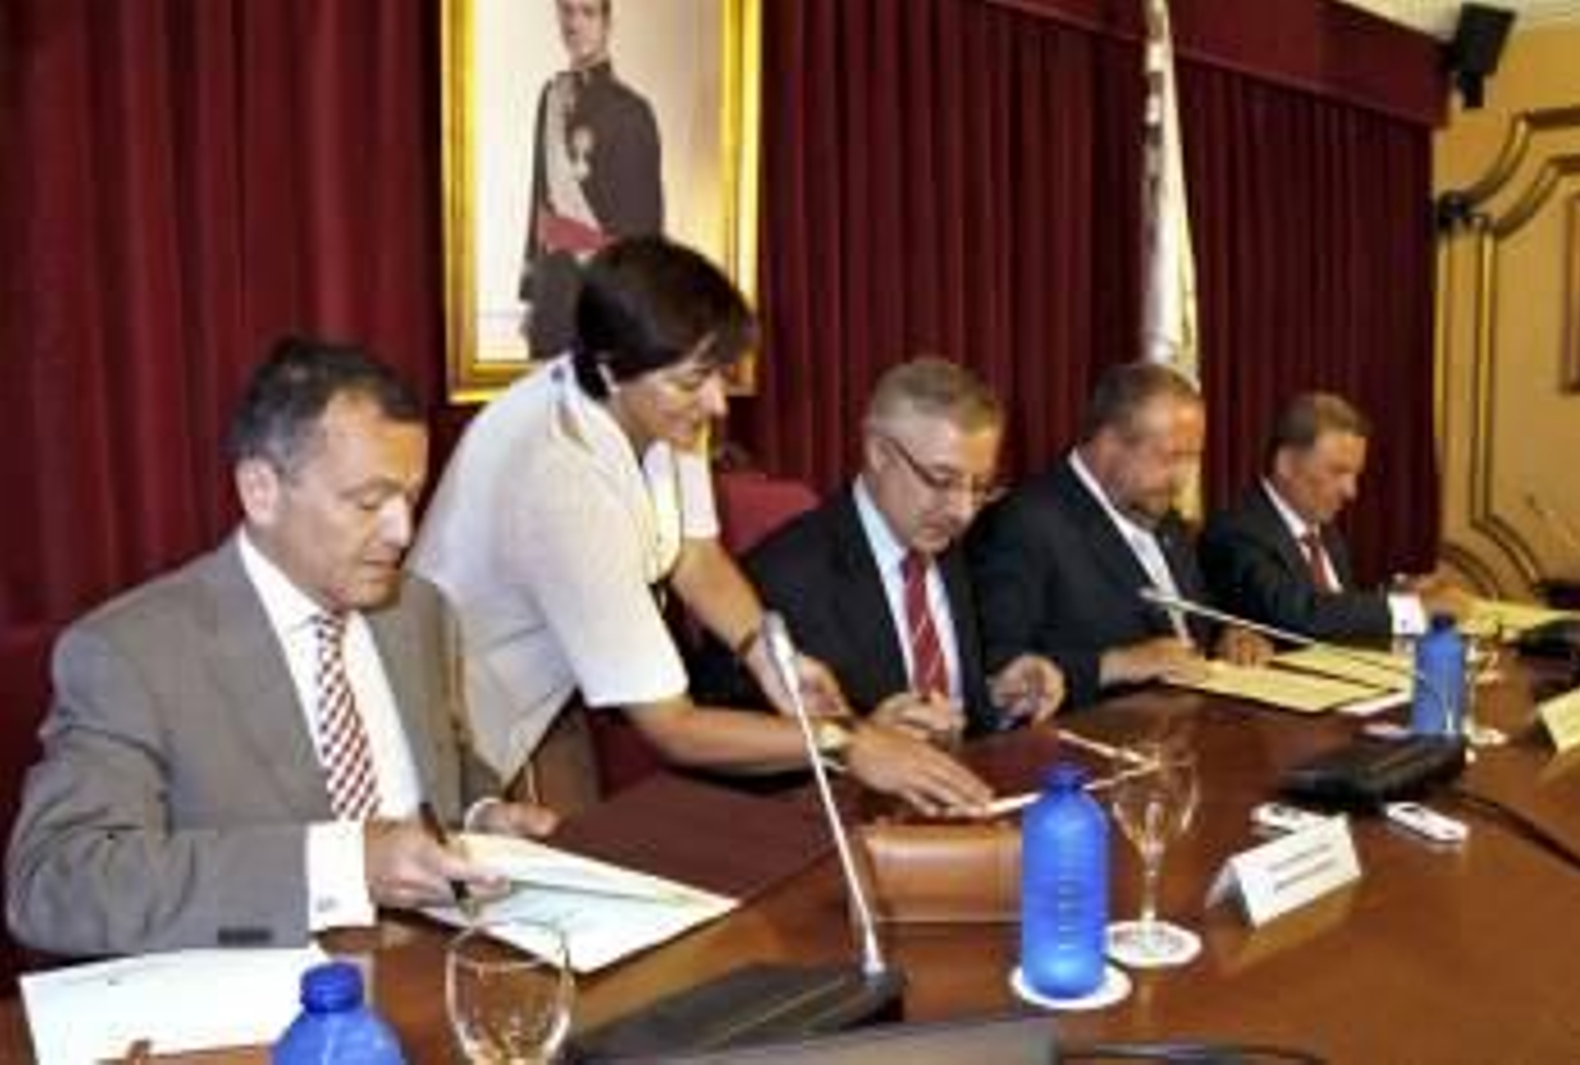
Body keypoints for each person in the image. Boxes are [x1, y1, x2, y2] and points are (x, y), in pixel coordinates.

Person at [6, 338, 555, 958]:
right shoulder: (131, 654)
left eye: (411, 496)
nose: (402, 532)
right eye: (369, 502)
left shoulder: (418, 609)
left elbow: (446, 756)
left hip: (431, 970)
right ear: (260, 491)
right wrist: (343, 866)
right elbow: (56, 883)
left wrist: (480, 816)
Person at [411, 236, 991, 816]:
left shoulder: (659, 404)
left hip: (541, 695)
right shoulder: (559, 482)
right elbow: (672, 728)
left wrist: (768, 656)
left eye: (717, 373)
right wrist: (849, 742)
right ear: (612, 369)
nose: (716, 403)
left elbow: (696, 556)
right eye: (693, 381)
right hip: (450, 713)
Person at [695, 358, 1065, 739]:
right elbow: (721, 752)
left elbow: (953, 710)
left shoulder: (953, 546)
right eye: (941, 480)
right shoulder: (780, 579)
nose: (963, 511)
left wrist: (996, 699)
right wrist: (861, 741)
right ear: (879, 453)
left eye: (980, 486)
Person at [969, 362, 1272, 708]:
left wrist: (1227, 636)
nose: (1182, 479)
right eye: (1170, 457)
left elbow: (1189, 619)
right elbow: (997, 665)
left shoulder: (1163, 514)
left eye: (1193, 459)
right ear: (1109, 444)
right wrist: (1113, 665)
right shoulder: (1025, 523)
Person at [1199, 391, 1473, 642]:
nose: (1351, 491)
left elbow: (1338, 608)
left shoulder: (1321, 528)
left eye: (1355, 475)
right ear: (1286, 464)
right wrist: (1413, 610)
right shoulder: (1237, 531)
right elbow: (1300, 615)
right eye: (1338, 472)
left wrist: (1395, 594)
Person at [522, 0, 664, 357]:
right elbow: (539, 197)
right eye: (566, 11)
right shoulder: (550, 96)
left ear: (607, 22)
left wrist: (630, 312)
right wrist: (530, 292)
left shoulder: (631, 111)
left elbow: (644, 228)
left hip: (600, 299)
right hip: (551, 297)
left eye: (587, 12)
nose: (575, 24)